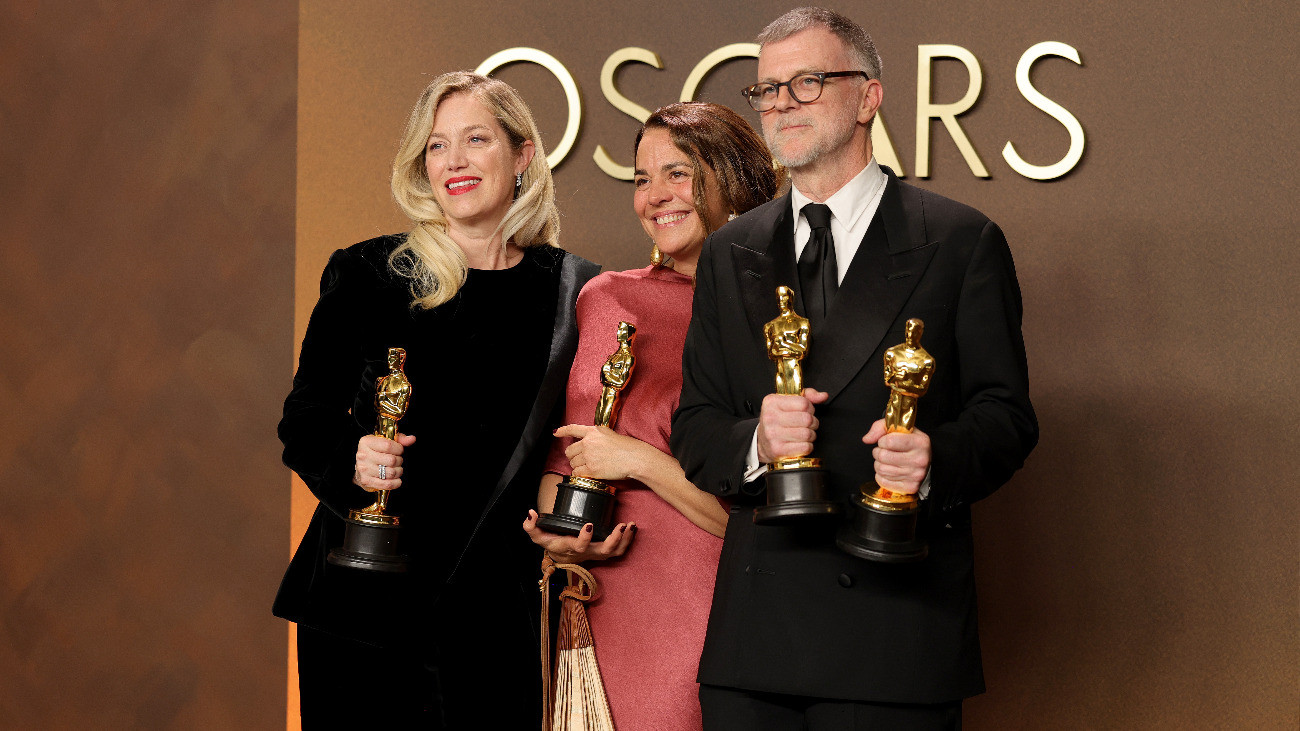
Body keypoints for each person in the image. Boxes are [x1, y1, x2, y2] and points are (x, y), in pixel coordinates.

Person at [670, 8, 1039, 729]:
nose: (781, 105)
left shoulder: (960, 240)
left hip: (895, 636)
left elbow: (1007, 416)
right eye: (768, 90)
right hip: (754, 648)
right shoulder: (729, 251)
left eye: (806, 82)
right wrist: (757, 442)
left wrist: (932, 459)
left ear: (869, 96)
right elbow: (697, 425)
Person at [273, 71, 599, 728]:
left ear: (522, 154)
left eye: (475, 140)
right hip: (365, 609)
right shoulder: (367, 272)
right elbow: (303, 423)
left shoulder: (574, 290)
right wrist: (353, 463)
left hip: (496, 612)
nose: (453, 162)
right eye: (436, 146)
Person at [523, 102, 778, 730]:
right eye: (641, 178)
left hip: (712, 603)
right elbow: (567, 451)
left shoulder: (775, 314)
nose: (655, 196)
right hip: (598, 604)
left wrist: (635, 458)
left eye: (678, 173)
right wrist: (560, 537)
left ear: (733, 178)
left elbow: (756, 511)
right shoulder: (605, 296)